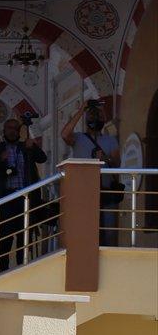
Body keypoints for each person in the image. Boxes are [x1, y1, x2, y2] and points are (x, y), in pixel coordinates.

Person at [0, 118, 47, 272]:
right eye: (9, 128)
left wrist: (33, 147)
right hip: (6, 198)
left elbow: (42, 158)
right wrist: (0, 158)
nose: (12, 131)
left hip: (25, 198)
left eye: (15, 128)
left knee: (24, 233)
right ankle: (3, 268)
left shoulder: (26, 147)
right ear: (4, 131)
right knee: (5, 233)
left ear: (19, 131)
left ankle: (21, 266)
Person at [63, 100, 121, 245]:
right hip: (83, 191)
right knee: (84, 228)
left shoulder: (110, 140)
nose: (95, 118)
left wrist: (105, 159)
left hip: (106, 191)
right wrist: (82, 110)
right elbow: (64, 134)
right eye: (92, 116)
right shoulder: (78, 138)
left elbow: (117, 163)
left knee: (109, 231)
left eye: (98, 116)